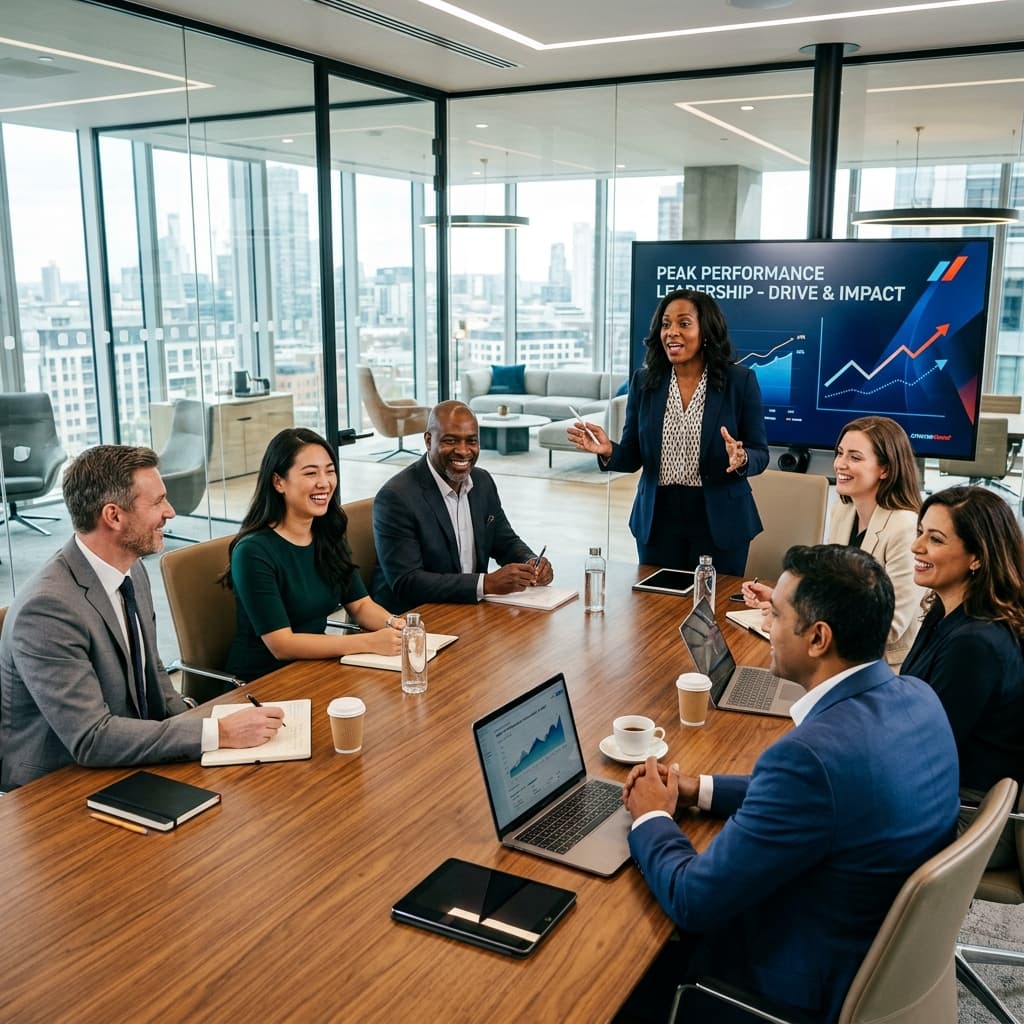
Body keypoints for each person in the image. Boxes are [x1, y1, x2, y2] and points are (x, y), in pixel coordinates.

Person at [622, 544, 958, 1023]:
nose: (768, 626)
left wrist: (652, 814)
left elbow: (692, 899)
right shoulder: (918, 697)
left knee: (621, 963)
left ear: (818, 638)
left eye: (775, 615)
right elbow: (825, 799)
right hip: (880, 958)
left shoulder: (808, 760)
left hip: (791, 986)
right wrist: (699, 788)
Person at [0, 445, 283, 791]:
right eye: (157, 502)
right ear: (114, 516)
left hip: (127, 756)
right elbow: (91, 738)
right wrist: (216, 732)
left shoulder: (131, 567)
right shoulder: (47, 609)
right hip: (58, 786)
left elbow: (154, 671)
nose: (171, 512)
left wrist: (199, 730)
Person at [568, 289, 768, 575]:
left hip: (720, 519)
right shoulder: (644, 382)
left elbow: (760, 452)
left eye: (684, 323)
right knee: (655, 610)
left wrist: (742, 458)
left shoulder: (740, 380)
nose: (672, 332)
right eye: (665, 324)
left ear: (706, 330)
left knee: (713, 610)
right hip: (658, 519)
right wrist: (608, 451)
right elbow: (633, 455)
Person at [903, 485, 1024, 868]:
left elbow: (923, 756)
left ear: (977, 557)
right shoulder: (946, 609)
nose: (916, 547)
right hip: (948, 794)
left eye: (934, 538)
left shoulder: (976, 643)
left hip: (971, 819)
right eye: (920, 531)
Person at [223, 427, 405, 682]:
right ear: (278, 482)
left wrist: (395, 626)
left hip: (318, 669)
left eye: (329, 471)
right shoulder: (253, 551)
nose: (324, 482)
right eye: (311, 473)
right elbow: (282, 645)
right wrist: (369, 642)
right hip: (265, 683)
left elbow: (361, 605)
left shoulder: (327, 533)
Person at [743, 415, 925, 668]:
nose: (840, 464)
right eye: (840, 453)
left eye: (855, 457)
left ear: (886, 469)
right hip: (839, 655)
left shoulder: (904, 528)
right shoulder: (844, 511)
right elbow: (833, 593)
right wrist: (783, 601)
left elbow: (888, 627)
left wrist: (796, 623)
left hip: (881, 666)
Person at [372, 400, 552, 613]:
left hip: (468, 609)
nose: (463, 451)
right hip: (414, 618)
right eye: (451, 441)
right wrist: (486, 584)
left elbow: (504, 541)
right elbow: (407, 581)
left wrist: (531, 562)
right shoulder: (396, 497)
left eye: (471, 441)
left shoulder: (482, 481)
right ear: (429, 440)